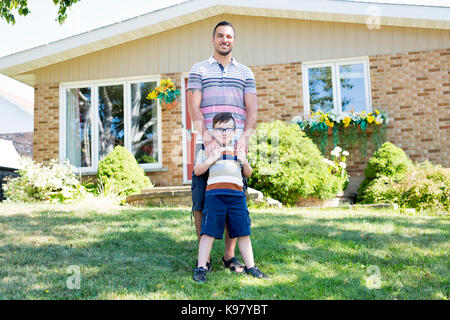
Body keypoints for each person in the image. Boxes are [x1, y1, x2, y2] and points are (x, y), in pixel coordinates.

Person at [186, 20, 258, 273]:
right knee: (200, 201)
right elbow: (193, 106)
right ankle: (203, 259)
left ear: (234, 41)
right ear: (213, 39)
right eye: (220, 36)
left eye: (229, 36)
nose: (224, 40)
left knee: (234, 197)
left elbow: (252, 108)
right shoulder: (199, 69)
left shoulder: (246, 72)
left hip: (236, 144)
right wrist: (206, 136)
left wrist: (244, 139)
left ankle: (229, 256)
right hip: (205, 143)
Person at [192, 113, 268, 283]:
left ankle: (251, 267)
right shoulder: (207, 150)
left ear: (235, 132)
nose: (224, 132)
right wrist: (210, 160)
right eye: (220, 129)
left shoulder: (238, 151)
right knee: (208, 232)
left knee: (243, 231)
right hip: (214, 196)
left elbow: (247, 173)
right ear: (213, 132)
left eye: (228, 129)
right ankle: (201, 267)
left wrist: (245, 162)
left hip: (236, 197)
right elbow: (197, 171)